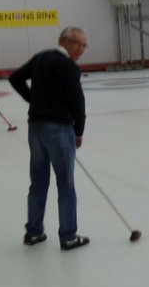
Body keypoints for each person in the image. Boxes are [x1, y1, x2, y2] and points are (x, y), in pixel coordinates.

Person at [8, 27, 89, 251]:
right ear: (63, 41)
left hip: (35, 128)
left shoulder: (41, 57)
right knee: (65, 184)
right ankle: (68, 235)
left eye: (84, 45)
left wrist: (33, 101)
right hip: (59, 130)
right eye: (77, 43)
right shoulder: (68, 65)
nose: (81, 49)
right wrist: (79, 130)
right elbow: (77, 100)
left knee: (39, 182)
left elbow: (15, 78)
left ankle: (33, 232)